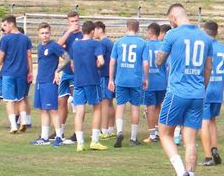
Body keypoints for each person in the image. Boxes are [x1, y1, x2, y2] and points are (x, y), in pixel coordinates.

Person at [155, 3, 213, 176]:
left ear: (172, 18)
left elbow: (159, 60)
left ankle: (181, 172)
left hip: (178, 91)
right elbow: (208, 69)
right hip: (198, 94)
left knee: (164, 133)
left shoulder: (173, 34)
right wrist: (201, 88)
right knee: (190, 141)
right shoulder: (205, 38)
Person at [58, 20, 107, 151]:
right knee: (97, 109)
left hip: (78, 81)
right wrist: (96, 65)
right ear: (92, 31)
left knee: (79, 111)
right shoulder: (96, 44)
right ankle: (94, 141)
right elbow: (101, 61)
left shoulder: (75, 44)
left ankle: (80, 143)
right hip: (92, 80)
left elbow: (72, 63)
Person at [0, 15, 33, 135]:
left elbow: (1, 56)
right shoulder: (25, 39)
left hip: (8, 73)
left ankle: (13, 125)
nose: (3, 28)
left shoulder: (5, 39)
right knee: (21, 99)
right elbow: (29, 56)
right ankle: (23, 121)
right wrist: (30, 71)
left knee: (9, 100)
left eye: (4, 25)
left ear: (11, 24)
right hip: (22, 73)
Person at [199, 20, 224, 167]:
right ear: (216, 32)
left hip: (205, 88)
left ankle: (207, 157)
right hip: (218, 90)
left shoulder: (203, 48)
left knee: (204, 123)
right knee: (212, 121)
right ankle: (214, 149)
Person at [110, 18, 147, 147]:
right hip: (135, 79)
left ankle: (119, 131)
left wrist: (111, 79)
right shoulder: (142, 43)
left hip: (121, 78)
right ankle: (133, 138)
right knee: (135, 107)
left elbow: (112, 62)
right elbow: (145, 62)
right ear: (137, 29)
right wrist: (146, 78)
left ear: (126, 27)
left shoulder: (119, 42)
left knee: (120, 105)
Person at [30, 22, 66, 146]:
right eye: (42, 33)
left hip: (50, 82)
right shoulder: (40, 47)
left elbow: (68, 58)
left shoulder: (54, 46)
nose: (45, 35)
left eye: (47, 33)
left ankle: (59, 136)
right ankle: (44, 137)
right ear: (39, 34)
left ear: (50, 33)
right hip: (40, 81)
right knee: (43, 110)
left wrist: (58, 71)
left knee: (53, 110)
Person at [55, 10, 82, 144]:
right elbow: (57, 46)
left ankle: (77, 133)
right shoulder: (67, 34)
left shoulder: (83, 35)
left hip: (77, 73)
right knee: (61, 101)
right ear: (68, 22)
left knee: (77, 103)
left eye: (76, 21)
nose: (75, 23)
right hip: (65, 71)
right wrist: (69, 31)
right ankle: (60, 131)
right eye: (72, 21)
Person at [142, 22, 168, 143]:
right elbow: (168, 66)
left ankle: (152, 134)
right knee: (158, 106)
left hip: (150, 81)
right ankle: (158, 132)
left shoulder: (146, 45)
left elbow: (145, 63)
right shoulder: (163, 46)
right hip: (162, 80)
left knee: (150, 107)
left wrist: (145, 78)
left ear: (150, 32)